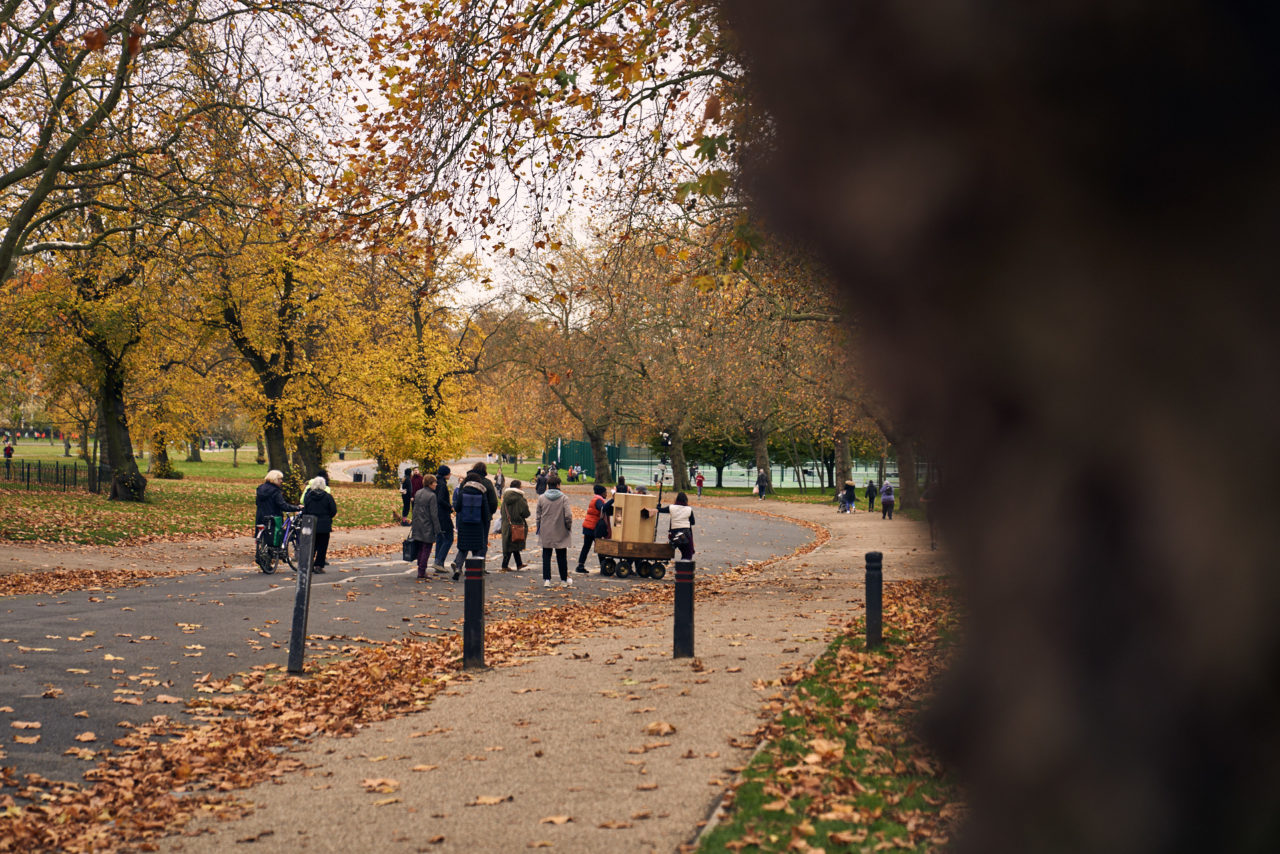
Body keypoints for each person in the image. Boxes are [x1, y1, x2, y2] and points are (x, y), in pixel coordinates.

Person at [451, 462, 499, 579]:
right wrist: (488, 516)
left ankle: (458, 566)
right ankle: (478, 568)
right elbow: (492, 503)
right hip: (479, 522)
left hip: (464, 520)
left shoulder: (463, 486)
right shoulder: (485, 486)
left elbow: (457, 507)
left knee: (463, 545)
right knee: (480, 545)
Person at [536, 473, 574, 588]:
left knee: (546, 556)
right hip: (560, 529)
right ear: (558, 485)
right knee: (562, 556)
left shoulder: (541, 498)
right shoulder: (563, 498)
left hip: (546, 530)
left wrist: (539, 527)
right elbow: (568, 515)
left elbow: (538, 515)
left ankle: (547, 579)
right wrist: (568, 526)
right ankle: (563, 580)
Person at [301, 475, 337, 573]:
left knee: (312, 545)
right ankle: (319, 565)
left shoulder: (309, 496)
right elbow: (333, 510)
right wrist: (328, 517)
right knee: (322, 546)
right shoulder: (328, 497)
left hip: (311, 524)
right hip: (324, 525)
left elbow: (306, 509)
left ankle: (309, 564)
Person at [574, 484, 611, 574]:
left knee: (588, 546)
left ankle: (581, 565)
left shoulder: (596, 499)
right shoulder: (598, 500)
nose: (606, 494)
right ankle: (603, 566)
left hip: (589, 526)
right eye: (606, 492)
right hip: (592, 527)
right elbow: (603, 508)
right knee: (599, 547)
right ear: (602, 493)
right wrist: (613, 500)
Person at [255, 470, 301, 540]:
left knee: (263, 538)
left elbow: (257, 503)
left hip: (261, 517)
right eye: (280, 479)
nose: (281, 481)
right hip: (274, 519)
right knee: (275, 539)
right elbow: (283, 506)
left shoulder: (260, 489)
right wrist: (297, 507)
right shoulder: (275, 491)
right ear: (275, 479)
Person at [412, 473, 440, 578]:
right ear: (430, 483)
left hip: (418, 523)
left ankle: (420, 567)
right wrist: (437, 529)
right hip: (427, 524)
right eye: (434, 482)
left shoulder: (418, 493)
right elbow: (434, 514)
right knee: (426, 548)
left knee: (419, 547)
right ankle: (422, 570)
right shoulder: (432, 496)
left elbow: (415, 509)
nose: (436, 484)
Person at [499, 479, 531, 570]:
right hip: (517, 525)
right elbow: (526, 513)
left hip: (506, 524)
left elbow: (502, 511)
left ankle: (519, 563)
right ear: (518, 487)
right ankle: (504, 565)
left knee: (511, 543)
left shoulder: (505, 498)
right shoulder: (520, 498)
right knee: (513, 544)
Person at [658, 492, 696, 561]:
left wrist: (658, 506)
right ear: (686, 500)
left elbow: (660, 510)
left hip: (674, 533)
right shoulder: (689, 509)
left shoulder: (671, 507)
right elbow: (693, 522)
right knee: (687, 553)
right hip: (686, 534)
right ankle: (684, 565)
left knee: (670, 548)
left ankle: (663, 559)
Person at [432, 465, 454, 572]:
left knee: (440, 538)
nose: (450, 475)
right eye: (449, 473)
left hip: (437, 515)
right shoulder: (442, 485)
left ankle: (438, 563)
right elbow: (440, 499)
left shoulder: (436, 483)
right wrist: (450, 507)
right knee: (448, 538)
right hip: (443, 515)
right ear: (445, 474)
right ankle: (439, 561)